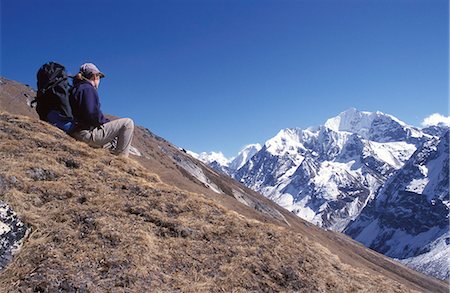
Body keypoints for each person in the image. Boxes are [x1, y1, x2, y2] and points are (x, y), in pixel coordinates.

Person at [69, 63, 134, 157]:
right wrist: (105, 123)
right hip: (86, 135)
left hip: (76, 132)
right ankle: (122, 160)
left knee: (112, 144)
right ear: (95, 76)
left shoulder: (76, 88)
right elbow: (92, 114)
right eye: (99, 77)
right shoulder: (87, 89)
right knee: (127, 123)